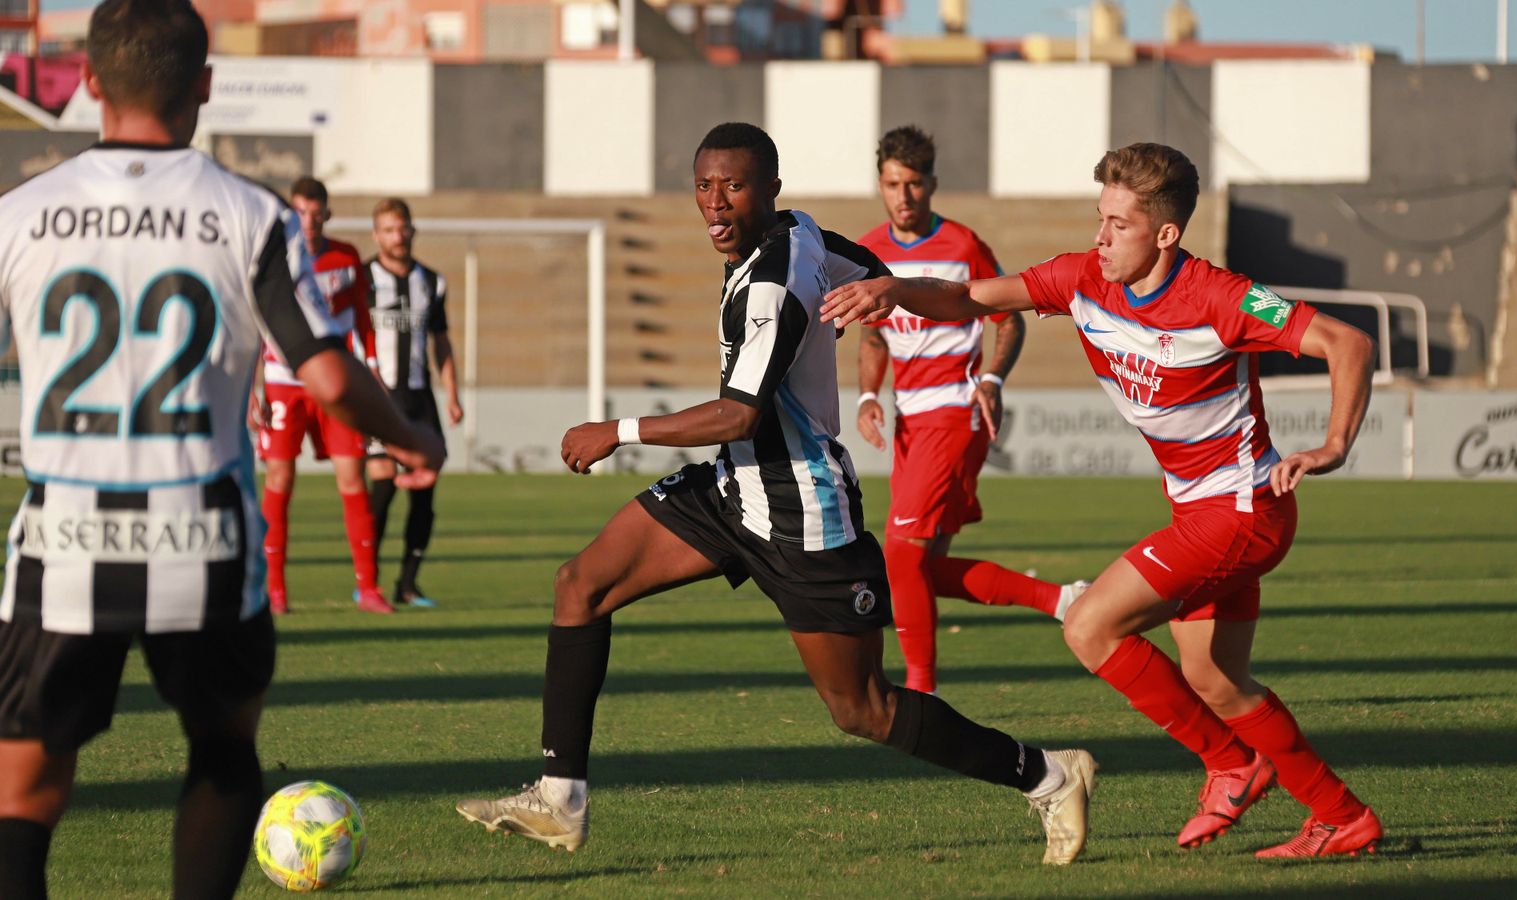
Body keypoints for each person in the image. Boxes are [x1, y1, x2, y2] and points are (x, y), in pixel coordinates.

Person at [454, 122, 1098, 866]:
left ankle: (1047, 776)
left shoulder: (772, 284)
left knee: (863, 709)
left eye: (734, 186)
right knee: (581, 585)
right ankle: (561, 797)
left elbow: (738, 413)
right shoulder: (803, 233)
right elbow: (875, 276)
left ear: (770, 189)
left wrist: (618, 430)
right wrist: (880, 303)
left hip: (801, 512)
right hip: (732, 489)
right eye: (704, 186)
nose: (715, 202)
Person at [822, 142, 1384, 859]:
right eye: (1100, 217)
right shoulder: (1081, 277)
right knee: (1215, 679)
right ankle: (1341, 815)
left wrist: (1333, 445)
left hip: (1244, 510)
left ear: (1166, 233)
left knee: (1091, 627)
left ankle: (1230, 764)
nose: (1102, 236)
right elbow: (968, 299)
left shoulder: (1222, 296)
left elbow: (1347, 343)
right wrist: (896, 290)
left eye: (1119, 224)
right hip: (1201, 511)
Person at [0, 3, 444, 898]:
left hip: (64, 537)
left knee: (23, 787)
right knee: (222, 750)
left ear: (89, 81)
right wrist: (410, 436)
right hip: (201, 534)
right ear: (204, 85)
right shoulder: (249, 214)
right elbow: (327, 374)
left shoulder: (19, 213)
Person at [855, 126, 1090, 694]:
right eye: (892, 184)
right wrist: (867, 396)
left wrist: (992, 378)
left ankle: (920, 691)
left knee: (899, 556)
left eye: (914, 183)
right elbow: (873, 335)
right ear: (880, 184)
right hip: (910, 422)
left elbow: (1007, 318)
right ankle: (1062, 600)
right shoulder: (868, 252)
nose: (903, 195)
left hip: (956, 412)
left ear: (932, 184)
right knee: (922, 569)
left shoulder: (963, 246)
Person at [252, 176, 392, 615]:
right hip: (283, 382)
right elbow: (255, 324)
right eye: (301, 214)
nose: (309, 222)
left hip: (336, 382)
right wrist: (253, 386)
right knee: (279, 480)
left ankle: (368, 588)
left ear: (328, 214)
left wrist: (372, 369)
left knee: (352, 479)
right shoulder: (270, 258)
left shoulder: (345, 257)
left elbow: (362, 317)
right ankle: (274, 591)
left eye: (316, 214)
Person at [365, 199, 462, 608]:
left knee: (425, 493)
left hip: (420, 398)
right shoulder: (363, 280)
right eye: (389, 230)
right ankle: (367, 580)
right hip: (378, 397)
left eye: (402, 228)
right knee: (382, 487)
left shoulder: (432, 282)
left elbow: (441, 341)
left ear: (412, 230)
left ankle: (407, 583)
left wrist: (452, 393)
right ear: (376, 235)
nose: (397, 236)